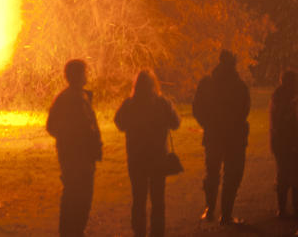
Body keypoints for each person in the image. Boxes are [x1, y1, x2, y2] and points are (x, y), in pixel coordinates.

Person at [115, 70, 180, 237]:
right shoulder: (162, 103)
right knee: (158, 199)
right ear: (154, 84)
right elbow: (175, 123)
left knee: (138, 198)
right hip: (158, 157)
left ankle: (139, 232)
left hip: (136, 158)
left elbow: (119, 123)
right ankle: (157, 232)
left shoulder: (129, 104)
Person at [192, 49, 251, 224]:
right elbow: (244, 110)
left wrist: (207, 125)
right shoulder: (238, 85)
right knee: (232, 174)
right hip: (234, 137)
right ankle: (225, 214)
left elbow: (197, 108)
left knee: (212, 173)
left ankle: (210, 209)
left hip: (214, 135)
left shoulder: (208, 83)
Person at [46, 59, 103, 237]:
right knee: (74, 196)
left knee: (83, 197)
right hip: (74, 158)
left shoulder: (82, 96)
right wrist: (71, 141)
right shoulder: (67, 99)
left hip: (85, 157)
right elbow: (52, 126)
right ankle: (71, 232)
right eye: (84, 72)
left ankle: (76, 230)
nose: (86, 75)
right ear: (76, 75)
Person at [270, 70, 298, 217]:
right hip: (285, 142)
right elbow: (280, 122)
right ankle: (284, 208)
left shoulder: (279, 96)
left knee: (287, 174)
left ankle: (286, 207)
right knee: (287, 174)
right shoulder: (283, 97)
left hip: (283, 142)